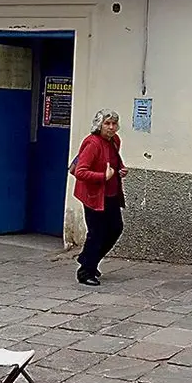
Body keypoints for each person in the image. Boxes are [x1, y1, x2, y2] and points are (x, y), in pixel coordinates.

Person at [72, 109, 128, 286]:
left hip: (110, 193)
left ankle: (89, 259)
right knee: (97, 233)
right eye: (107, 123)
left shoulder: (114, 141)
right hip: (93, 195)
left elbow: (112, 161)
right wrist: (101, 177)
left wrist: (121, 169)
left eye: (114, 124)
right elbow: (81, 171)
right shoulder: (92, 143)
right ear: (99, 125)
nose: (111, 128)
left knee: (116, 228)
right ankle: (85, 271)